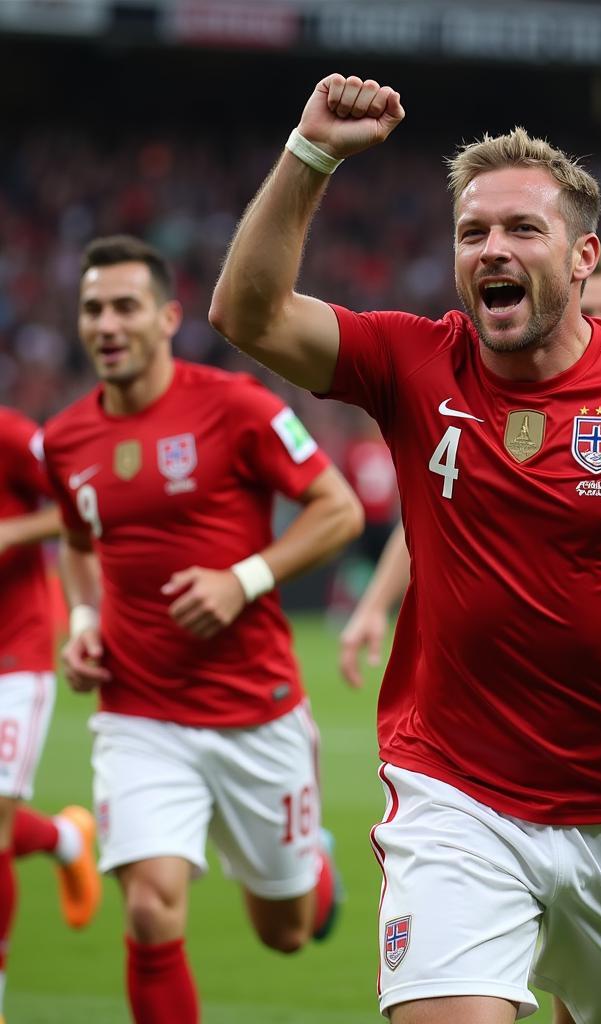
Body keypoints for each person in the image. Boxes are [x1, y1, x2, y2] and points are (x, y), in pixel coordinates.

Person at [209, 73, 601, 1024]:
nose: (492, 249)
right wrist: (312, 154)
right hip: (452, 794)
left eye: (520, 230)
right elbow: (247, 315)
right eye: (473, 234)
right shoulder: (413, 361)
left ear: (583, 257)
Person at [43, 235, 365, 1024]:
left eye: (125, 307)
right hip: (139, 714)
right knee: (151, 911)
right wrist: (84, 618)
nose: (107, 324)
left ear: (167, 317)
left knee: (285, 932)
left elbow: (341, 510)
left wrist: (242, 579)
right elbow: (80, 546)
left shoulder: (236, 407)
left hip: (256, 712)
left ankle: (312, 866)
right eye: (93, 310)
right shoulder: (66, 441)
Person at [337, 244, 601, 882]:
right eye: (586, 307)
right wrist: (375, 605)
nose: (593, 319)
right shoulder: (483, 393)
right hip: (460, 761)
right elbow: (435, 518)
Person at [0, 406, 101, 1024]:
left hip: (16, 657)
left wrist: (13, 532)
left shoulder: (9, 436)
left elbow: (77, 494)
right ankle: (66, 837)